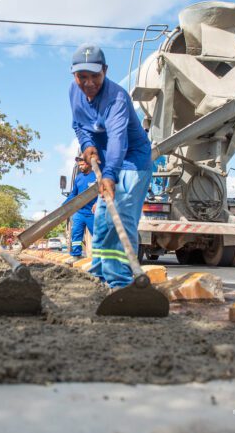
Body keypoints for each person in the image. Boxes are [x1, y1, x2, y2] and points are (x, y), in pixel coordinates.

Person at [69, 44, 152, 288]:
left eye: (95, 76)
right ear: (74, 75)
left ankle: (122, 282)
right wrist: (87, 145)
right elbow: (78, 124)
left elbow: (118, 138)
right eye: (82, 77)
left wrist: (109, 174)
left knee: (121, 217)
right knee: (104, 220)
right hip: (108, 161)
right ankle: (100, 275)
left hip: (132, 161)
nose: (89, 82)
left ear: (105, 71)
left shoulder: (116, 98)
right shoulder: (74, 92)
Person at [64, 156, 97, 264]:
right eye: (79, 165)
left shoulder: (96, 176)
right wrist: (64, 205)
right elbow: (73, 194)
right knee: (76, 234)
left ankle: (100, 258)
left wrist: (99, 203)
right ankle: (76, 255)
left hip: (92, 213)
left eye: (82, 164)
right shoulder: (78, 177)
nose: (80, 166)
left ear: (89, 164)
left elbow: (103, 191)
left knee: (97, 235)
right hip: (79, 212)